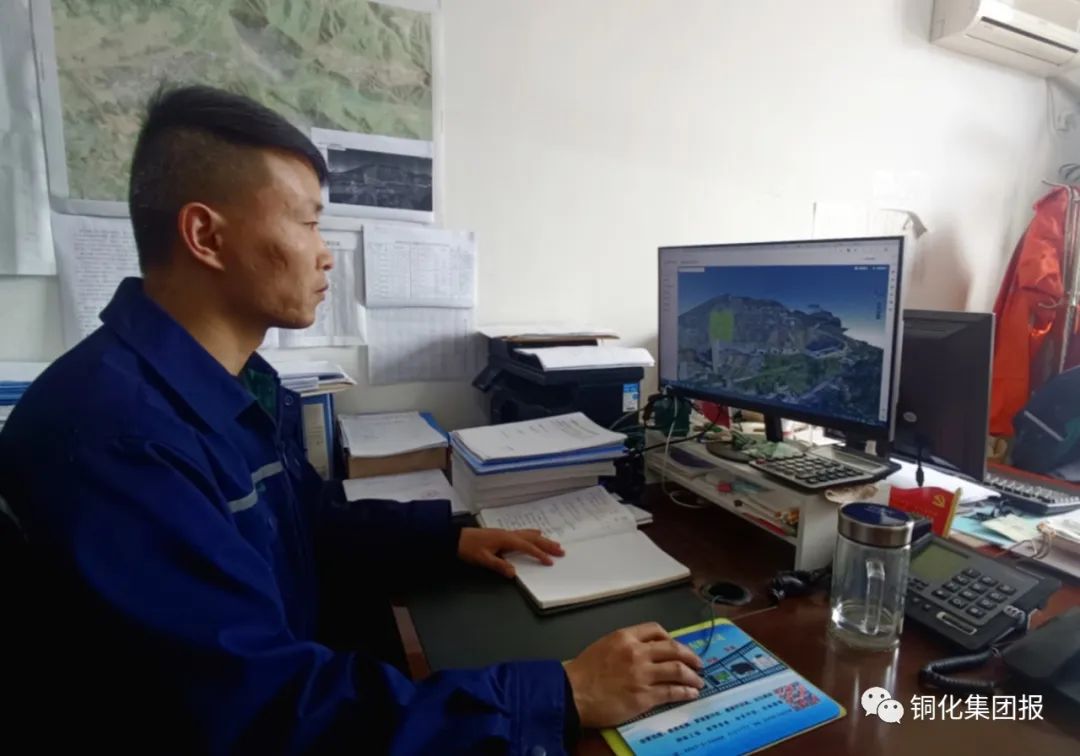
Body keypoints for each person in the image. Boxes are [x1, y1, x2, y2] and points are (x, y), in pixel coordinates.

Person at [0, 85, 703, 755]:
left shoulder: (221, 382)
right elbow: (264, 714)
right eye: (307, 222)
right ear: (205, 236)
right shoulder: (117, 441)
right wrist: (563, 693)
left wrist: (447, 539)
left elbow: (302, 523)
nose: (325, 252)